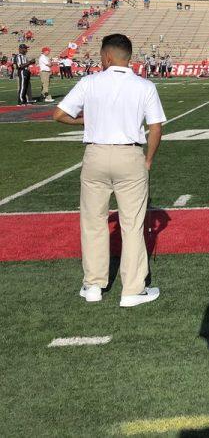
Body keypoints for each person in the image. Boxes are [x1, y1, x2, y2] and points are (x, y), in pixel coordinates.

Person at [53, 34, 166, 307]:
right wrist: (148, 160)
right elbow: (155, 128)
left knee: (93, 222)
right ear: (128, 57)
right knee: (133, 224)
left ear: (106, 56)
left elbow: (59, 114)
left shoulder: (89, 82)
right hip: (130, 155)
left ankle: (93, 285)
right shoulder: (144, 85)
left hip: (96, 154)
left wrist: (86, 122)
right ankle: (132, 290)